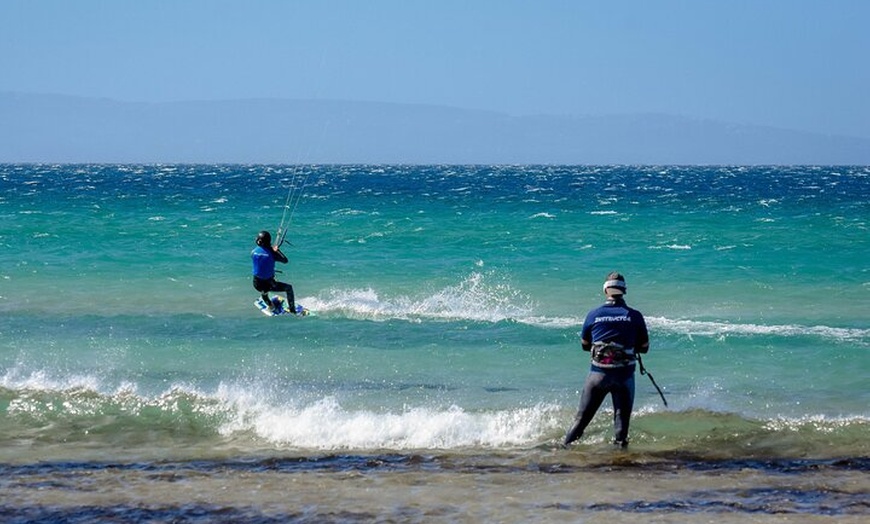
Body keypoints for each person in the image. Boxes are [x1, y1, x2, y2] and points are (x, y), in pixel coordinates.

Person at [563, 271, 649, 448]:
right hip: (624, 377)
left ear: (605, 290)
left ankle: (562, 453)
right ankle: (620, 465)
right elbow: (645, 348)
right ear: (624, 291)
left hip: (597, 376)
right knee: (621, 430)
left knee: (580, 421)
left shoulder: (593, 314)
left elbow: (585, 345)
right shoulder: (635, 316)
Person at [251, 230, 297, 314]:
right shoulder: (272, 254)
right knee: (288, 288)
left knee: (264, 291)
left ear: (258, 241)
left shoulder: (253, 252)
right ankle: (292, 310)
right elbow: (285, 260)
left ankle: (270, 305)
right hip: (269, 284)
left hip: (256, 284)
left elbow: (262, 261)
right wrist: (277, 250)